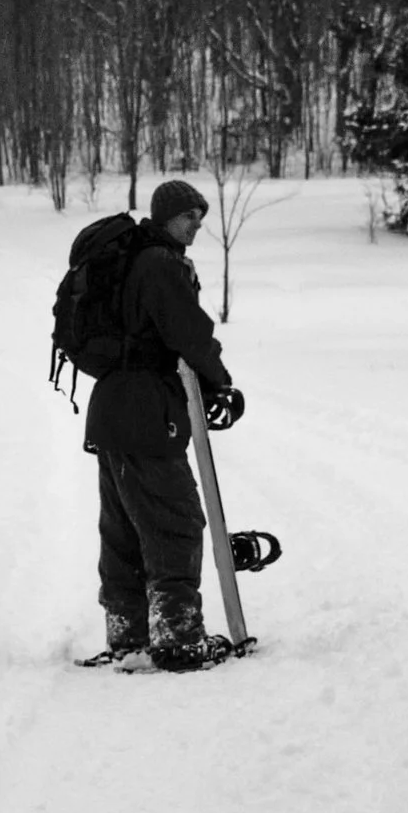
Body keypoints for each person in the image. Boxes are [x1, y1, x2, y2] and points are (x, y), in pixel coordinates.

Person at [82, 178, 238, 672]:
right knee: (175, 521)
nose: (196, 225)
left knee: (125, 528)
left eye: (199, 216)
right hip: (146, 412)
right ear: (167, 215)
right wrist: (222, 386)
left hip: (111, 410)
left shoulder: (133, 259)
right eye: (189, 215)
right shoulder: (158, 264)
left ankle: (128, 635)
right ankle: (178, 639)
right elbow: (190, 334)